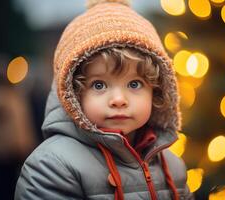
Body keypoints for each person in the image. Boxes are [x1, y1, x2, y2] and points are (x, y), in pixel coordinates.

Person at [15, 0, 194, 199]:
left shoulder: (172, 166)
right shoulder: (52, 166)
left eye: (134, 84)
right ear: (72, 93)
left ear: (157, 90)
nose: (118, 100)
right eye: (99, 85)